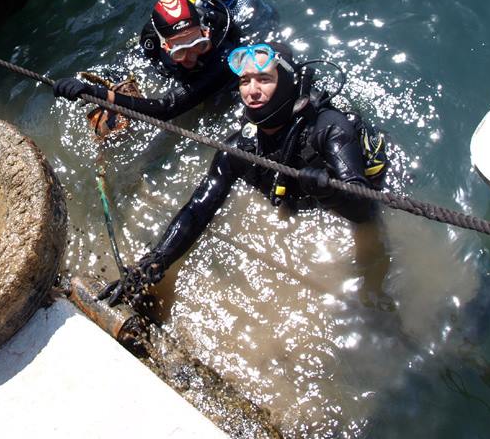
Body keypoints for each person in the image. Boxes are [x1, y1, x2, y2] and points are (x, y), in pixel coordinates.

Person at [101, 41, 388, 306]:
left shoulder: (329, 129)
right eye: (244, 81)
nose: (252, 91)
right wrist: (153, 264)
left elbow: (365, 210)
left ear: (287, 82)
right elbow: (199, 208)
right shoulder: (239, 147)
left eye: (264, 79)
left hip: (340, 196)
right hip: (295, 196)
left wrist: (329, 191)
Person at [53, 0, 260, 120]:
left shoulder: (224, 54)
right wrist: (99, 85)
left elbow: (166, 108)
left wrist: (96, 93)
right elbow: (133, 62)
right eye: (180, 52)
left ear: (205, 34)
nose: (191, 58)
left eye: (198, 45)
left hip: (229, 55)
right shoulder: (152, 42)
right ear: (165, 46)